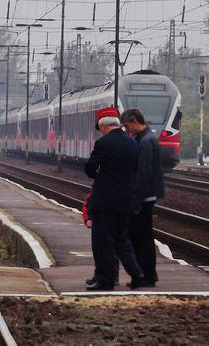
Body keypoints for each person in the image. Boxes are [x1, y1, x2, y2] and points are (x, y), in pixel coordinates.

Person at [84, 107, 145, 291]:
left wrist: (100, 175)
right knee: (121, 240)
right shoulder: (133, 143)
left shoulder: (103, 143)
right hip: (125, 200)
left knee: (103, 242)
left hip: (105, 202)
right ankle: (137, 274)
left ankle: (105, 280)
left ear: (103, 127)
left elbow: (90, 169)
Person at [121, 108, 164, 286]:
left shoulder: (145, 142)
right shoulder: (147, 139)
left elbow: (143, 173)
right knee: (143, 237)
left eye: (126, 126)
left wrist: (136, 200)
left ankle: (146, 275)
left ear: (133, 122)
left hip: (143, 198)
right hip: (147, 196)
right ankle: (148, 274)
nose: (126, 130)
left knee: (140, 238)